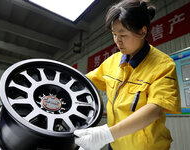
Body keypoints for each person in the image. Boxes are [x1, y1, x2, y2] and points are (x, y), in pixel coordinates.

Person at [74, 0, 181, 149]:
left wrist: (104, 135)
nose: (117, 41)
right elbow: (84, 82)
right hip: (115, 143)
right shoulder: (112, 62)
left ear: (142, 32)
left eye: (123, 35)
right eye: (114, 34)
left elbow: (155, 110)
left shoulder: (163, 65)